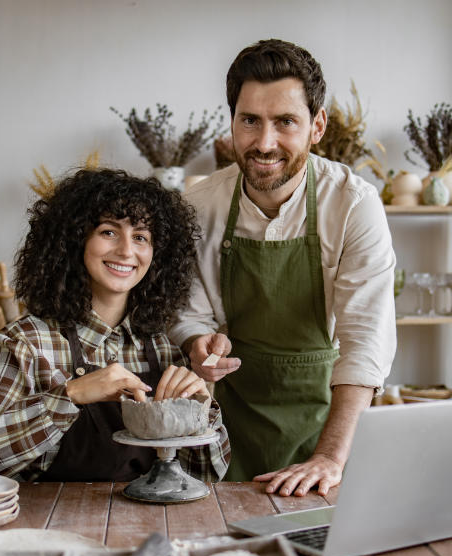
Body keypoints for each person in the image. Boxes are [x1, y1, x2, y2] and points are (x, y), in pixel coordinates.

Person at [168, 39, 396, 497]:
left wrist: (329, 458)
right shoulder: (197, 206)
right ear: (231, 121)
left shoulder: (352, 205)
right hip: (226, 434)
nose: (263, 142)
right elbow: (188, 314)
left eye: (285, 122)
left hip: (326, 428)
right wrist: (198, 343)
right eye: (249, 120)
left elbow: (364, 339)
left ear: (317, 127)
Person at [0, 168, 230, 482]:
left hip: (145, 524)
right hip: (49, 525)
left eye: (140, 237)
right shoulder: (27, 342)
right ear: (75, 239)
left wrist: (201, 411)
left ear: (157, 254)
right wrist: (70, 395)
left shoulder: (163, 348)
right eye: (109, 232)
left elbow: (206, 476)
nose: (126, 250)